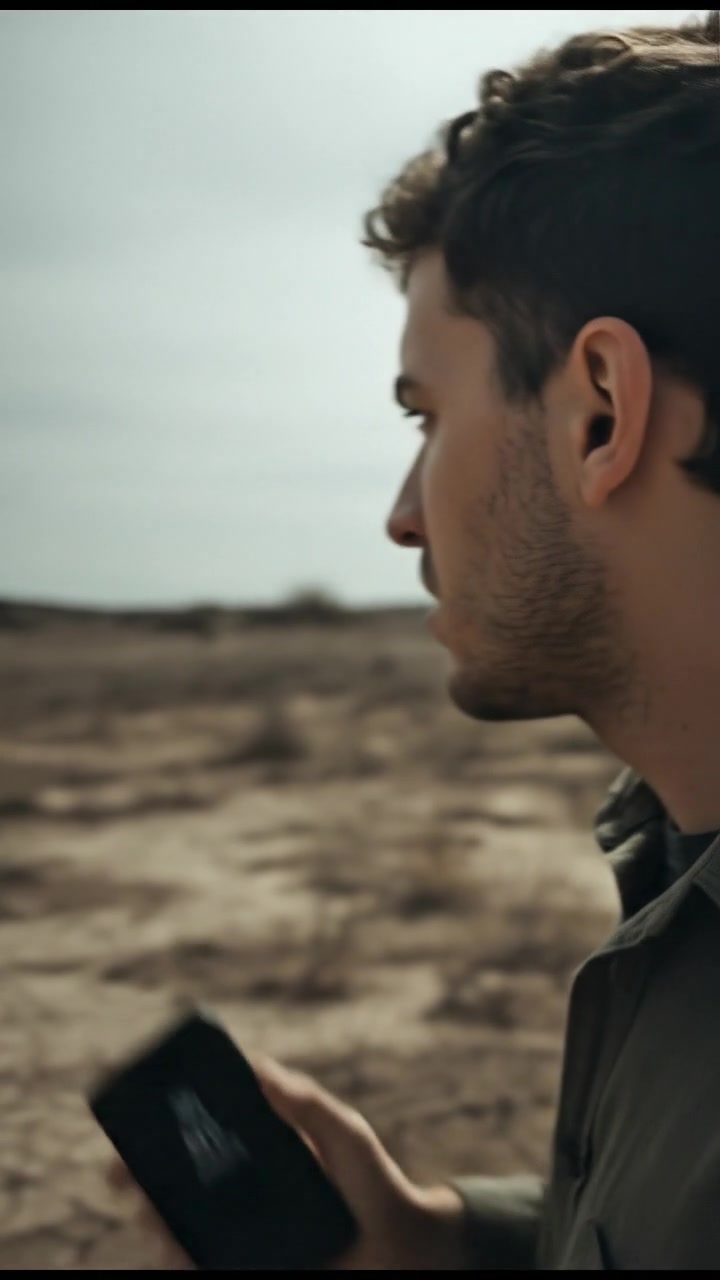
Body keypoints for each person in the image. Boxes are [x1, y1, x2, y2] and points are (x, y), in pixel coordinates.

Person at [113, 9, 720, 1268]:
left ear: (601, 412)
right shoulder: (684, 855)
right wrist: (434, 1240)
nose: (400, 518)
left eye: (425, 415)